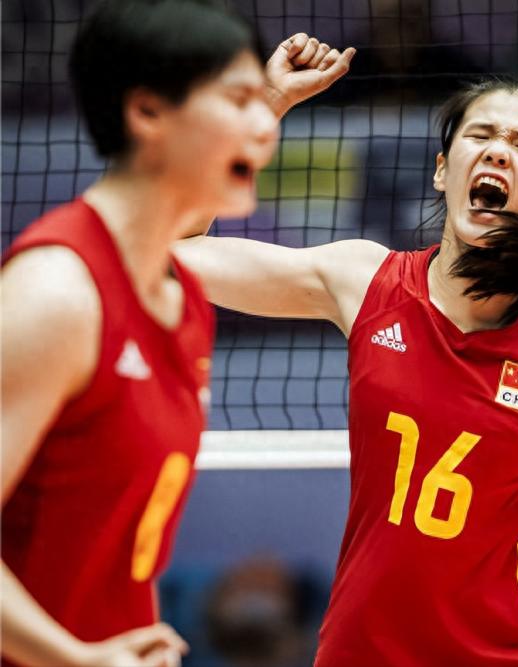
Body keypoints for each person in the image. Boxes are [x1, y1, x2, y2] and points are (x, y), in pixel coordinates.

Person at [175, 73, 518, 664]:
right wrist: (267, 108)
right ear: (442, 170)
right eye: (480, 135)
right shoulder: (364, 282)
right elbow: (177, 250)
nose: (497, 151)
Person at [0, 3, 351, 666]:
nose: (265, 127)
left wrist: (269, 99)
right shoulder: (55, 293)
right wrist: (74, 656)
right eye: (237, 101)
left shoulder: (177, 294)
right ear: (147, 113)